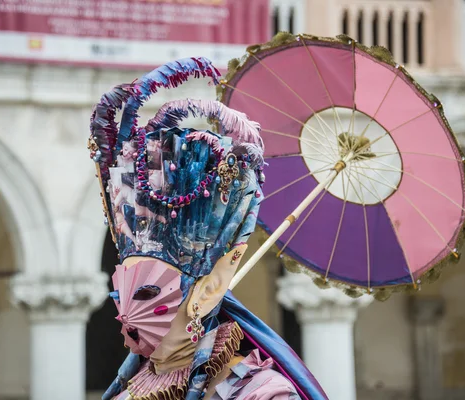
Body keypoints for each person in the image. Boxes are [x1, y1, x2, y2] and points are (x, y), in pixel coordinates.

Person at [88, 58, 328, 400]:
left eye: (146, 295)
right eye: (121, 296)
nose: (127, 318)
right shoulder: (127, 392)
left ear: (208, 291)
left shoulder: (262, 395)